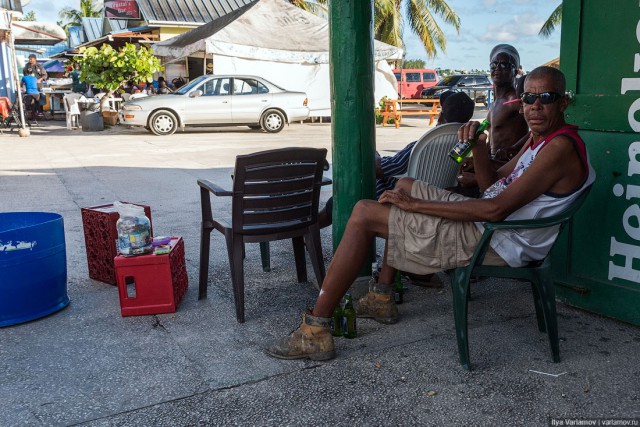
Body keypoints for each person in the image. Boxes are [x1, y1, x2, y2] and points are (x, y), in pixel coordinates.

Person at [265, 66, 595, 361]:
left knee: (365, 213)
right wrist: (479, 147)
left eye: (546, 98)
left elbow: (494, 207)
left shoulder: (559, 147)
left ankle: (315, 332)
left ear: (563, 102)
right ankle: (381, 297)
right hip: (492, 225)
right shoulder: (539, 138)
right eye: (529, 97)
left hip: (497, 240)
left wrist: (416, 207)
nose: (535, 106)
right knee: (406, 184)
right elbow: (491, 184)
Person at [318, 91, 476, 228]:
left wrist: (374, 154)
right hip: (436, 202)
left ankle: (310, 230)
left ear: (441, 116)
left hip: (398, 199)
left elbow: (380, 169)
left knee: (339, 202)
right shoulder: (463, 146)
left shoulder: (425, 145)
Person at [450, 44, 529, 198]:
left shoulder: (514, 100)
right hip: (493, 162)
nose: (498, 68)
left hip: (509, 167)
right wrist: (477, 158)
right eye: (494, 64)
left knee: (452, 193)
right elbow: (493, 136)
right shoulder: (495, 103)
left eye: (505, 64)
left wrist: (514, 148)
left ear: (516, 71)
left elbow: (536, 133)